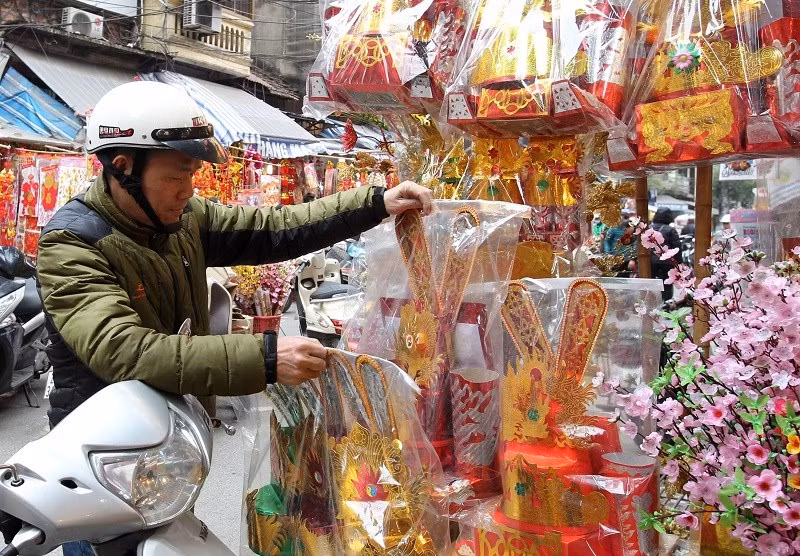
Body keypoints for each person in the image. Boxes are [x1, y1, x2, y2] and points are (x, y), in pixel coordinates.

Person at [36, 81, 433, 556]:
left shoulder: (182, 220)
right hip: (98, 469)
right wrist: (266, 357)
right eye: (175, 176)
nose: (188, 190)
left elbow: (273, 230)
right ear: (123, 168)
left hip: (163, 457)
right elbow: (126, 350)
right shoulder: (72, 244)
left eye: (193, 175)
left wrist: (373, 204)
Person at [650, 207, 682, 301]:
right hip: (666, 262)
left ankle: (652, 304)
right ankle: (666, 304)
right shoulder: (670, 230)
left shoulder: (649, 228)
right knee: (667, 283)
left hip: (650, 262)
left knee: (650, 283)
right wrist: (678, 262)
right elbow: (677, 247)